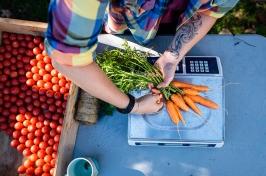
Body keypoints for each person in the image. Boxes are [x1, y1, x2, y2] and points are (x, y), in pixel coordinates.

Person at [45, 0, 238, 114]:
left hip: (173, 19)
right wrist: (133, 106)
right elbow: (67, 60)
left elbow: (212, 10)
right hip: (122, 24)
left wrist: (172, 55)